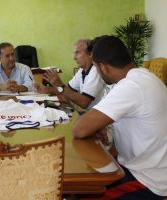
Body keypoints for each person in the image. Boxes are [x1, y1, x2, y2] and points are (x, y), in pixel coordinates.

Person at [72, 35, 167, 199]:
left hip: (149, 180)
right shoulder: (143, 77)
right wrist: (101, 125)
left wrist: (94, 126)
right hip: (142, 164)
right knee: (82, 184)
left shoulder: (131, 86)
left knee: (82, 193)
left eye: (95, 67)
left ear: (103, 67)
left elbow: (79, 129)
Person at [36, 39, 106, 110]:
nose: (74, 58)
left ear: (90, 54)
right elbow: (68, 90)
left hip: (96, 116)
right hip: (87, 113)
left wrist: (60, 85)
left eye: (77, 53)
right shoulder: (82, 70)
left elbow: (84, 103)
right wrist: (47, 90)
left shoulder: (96, 71)